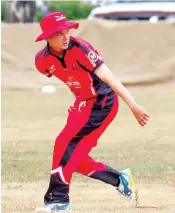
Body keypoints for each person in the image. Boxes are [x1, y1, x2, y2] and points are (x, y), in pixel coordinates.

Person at [34, 11, 150, 212]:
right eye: (58, 33)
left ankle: (59, 200)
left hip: (102, 103)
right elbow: (64, 74)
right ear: (47, 38)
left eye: (66, 31)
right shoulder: (42, 61)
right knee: (73, 158)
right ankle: (120, 180)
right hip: (83, 103)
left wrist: (133, 105)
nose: (65, 36)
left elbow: (108, 77)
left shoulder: (81, 49)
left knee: (64, 144)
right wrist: (80, 95)